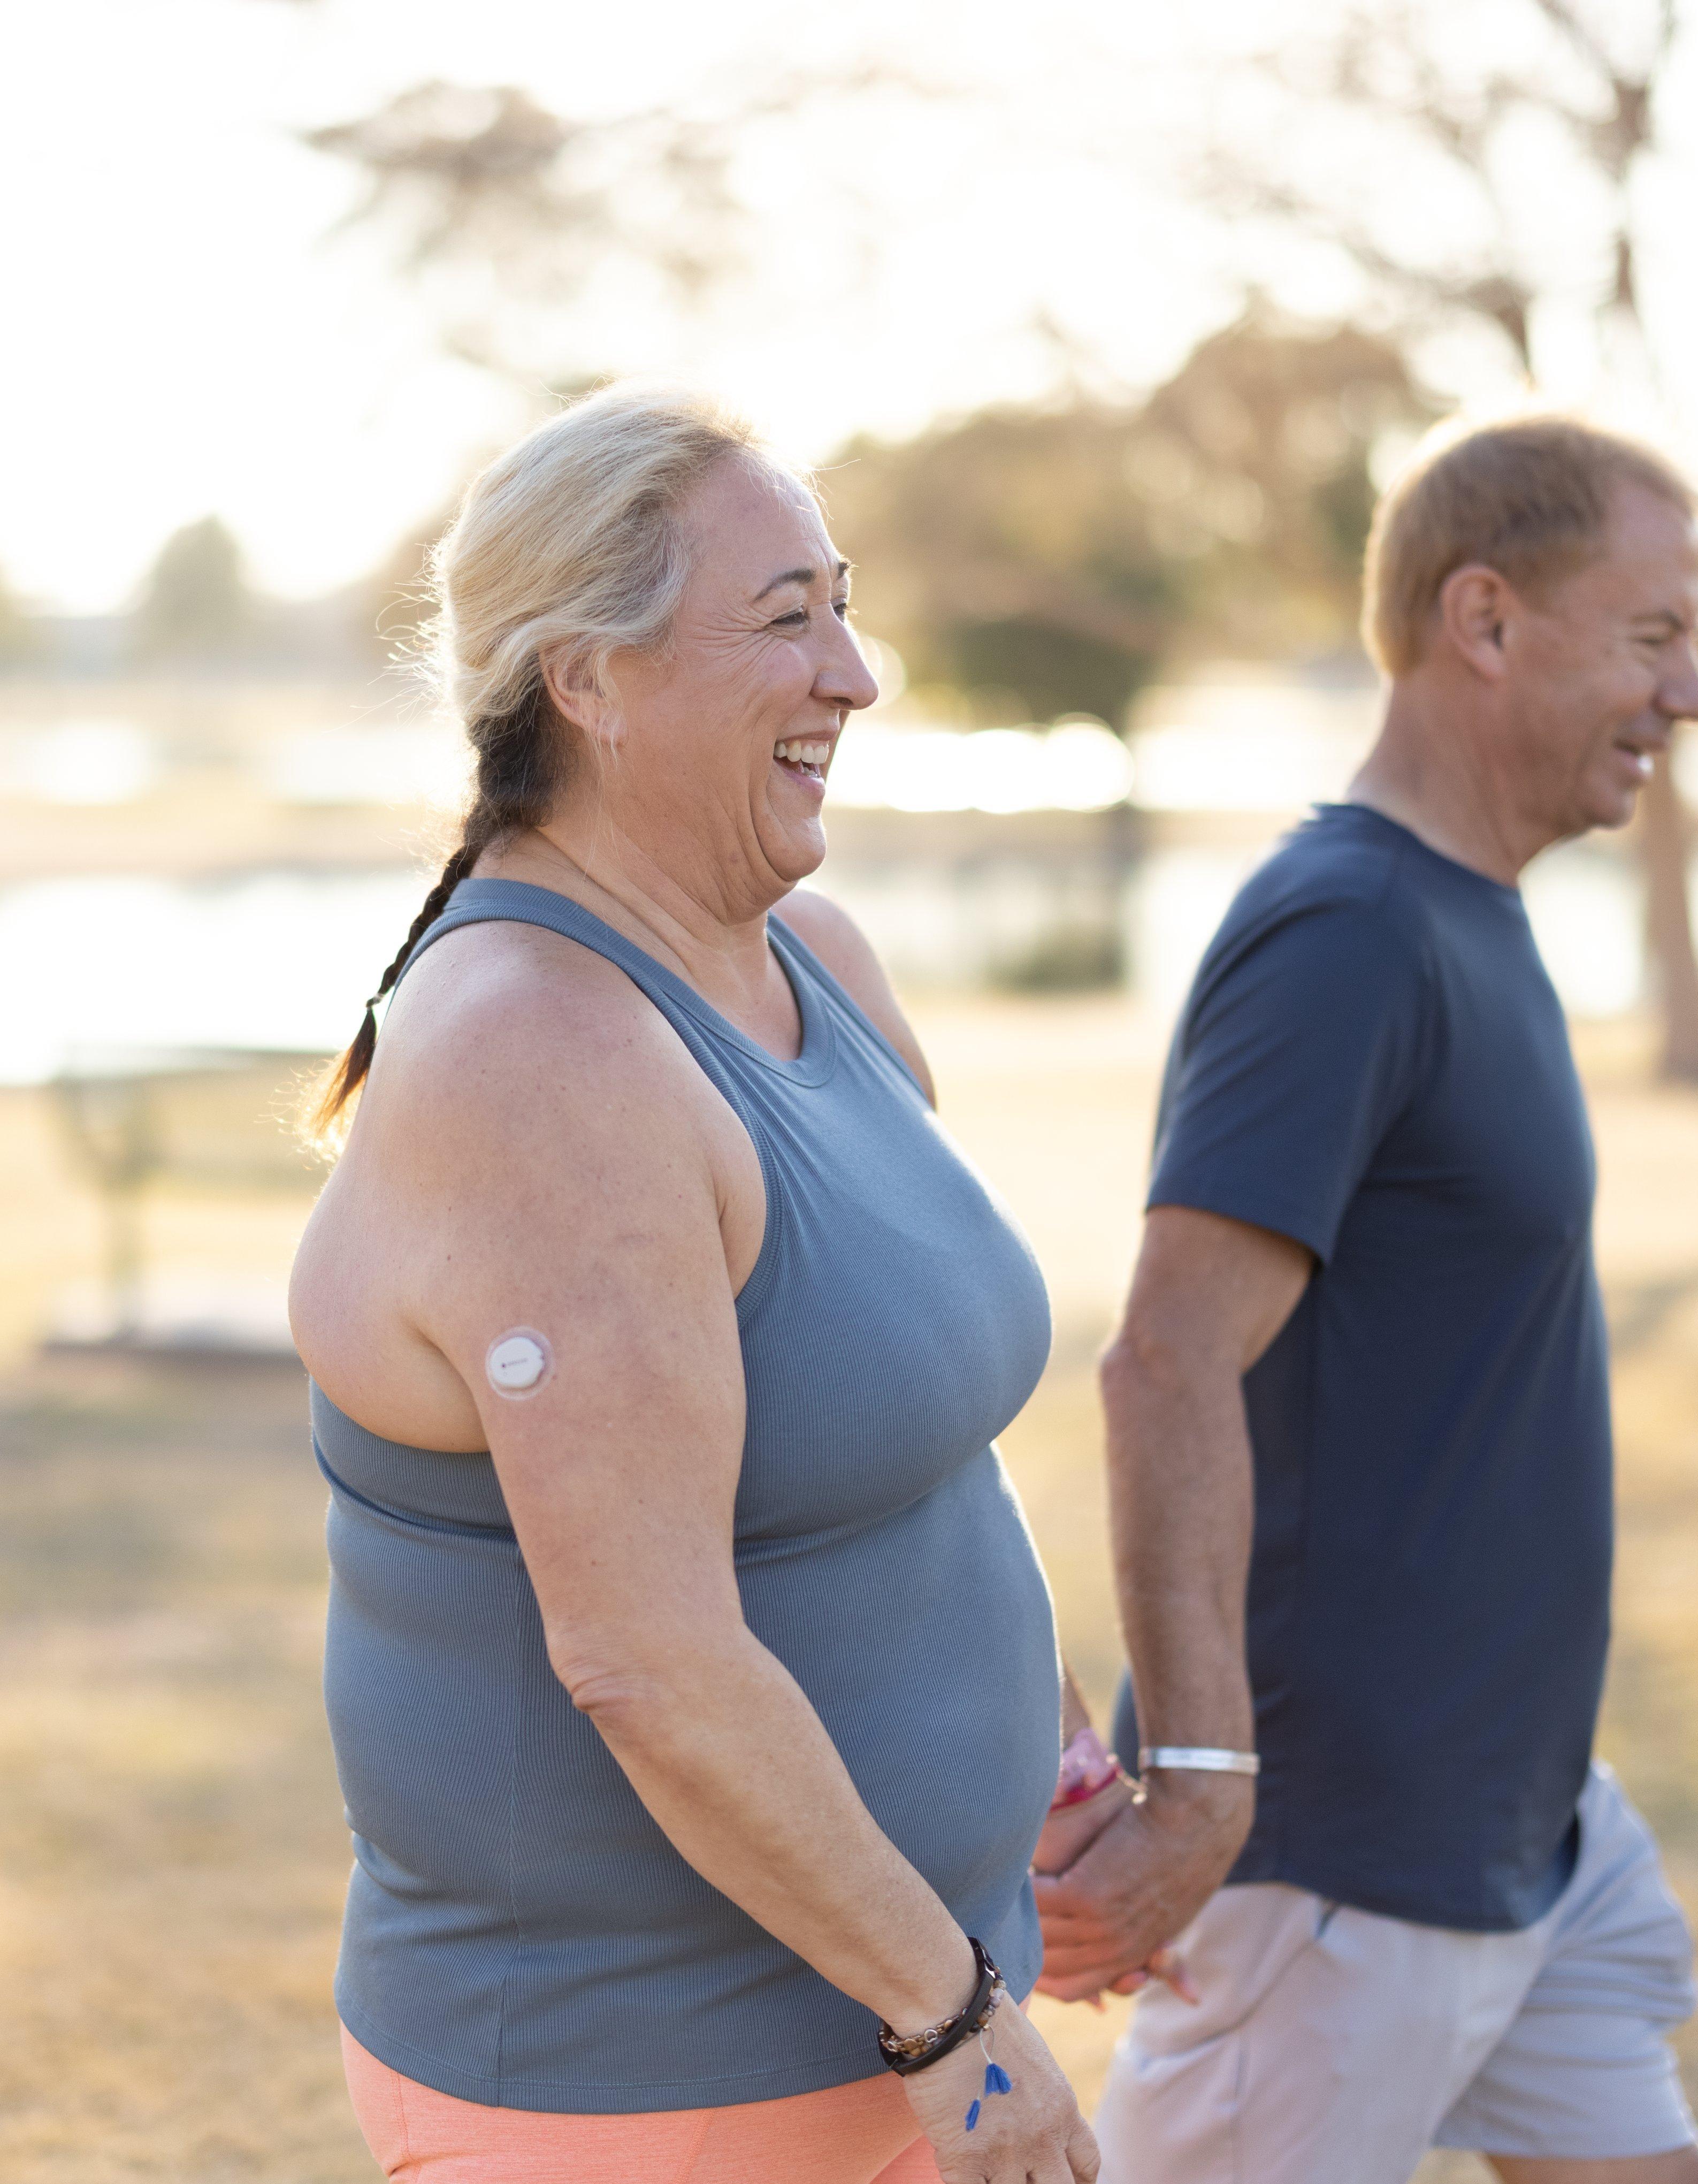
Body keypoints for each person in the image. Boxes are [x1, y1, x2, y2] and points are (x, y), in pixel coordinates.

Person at [288, 383, 1100, 2184]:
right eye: (785, 618)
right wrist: (960, 2031)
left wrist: (1046, 1765)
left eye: (843, 600)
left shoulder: (813, 954)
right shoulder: (538, 1057)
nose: (858, 673)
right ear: (589, 680)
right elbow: (648, 1657)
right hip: (651, 2097)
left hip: (897, 2021)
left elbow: (915, 1434)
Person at [1034, 414, 1698, 2184]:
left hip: (1526, 1824)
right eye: (1656, 637)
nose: (1694, 694)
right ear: (1484, 619)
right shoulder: (1347, 928)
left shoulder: (1472, 915)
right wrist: (1199, 1781)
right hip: (1344, 1874)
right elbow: (1169, 1357)